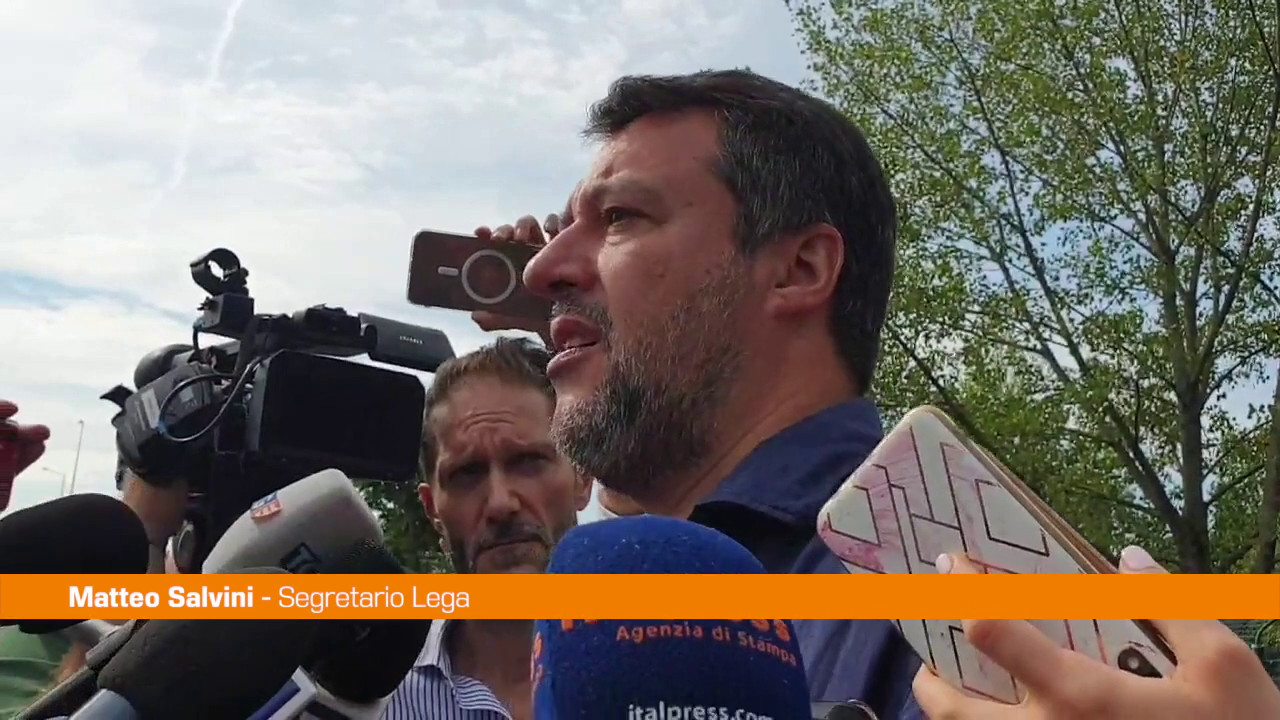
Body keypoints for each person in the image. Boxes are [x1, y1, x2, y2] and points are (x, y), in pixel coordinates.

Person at [480, 69, 1280, 719]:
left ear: (800, 270)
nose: (543, 269)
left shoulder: (987, 619)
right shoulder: (605, 597)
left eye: (619, 217)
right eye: (563, 228)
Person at [382, 338, 591, 720]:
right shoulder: (374, 699)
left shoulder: (668, 668)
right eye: (467, 474)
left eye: (528, 461)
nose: (500, 504)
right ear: (432, 510)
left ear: (582, 476)